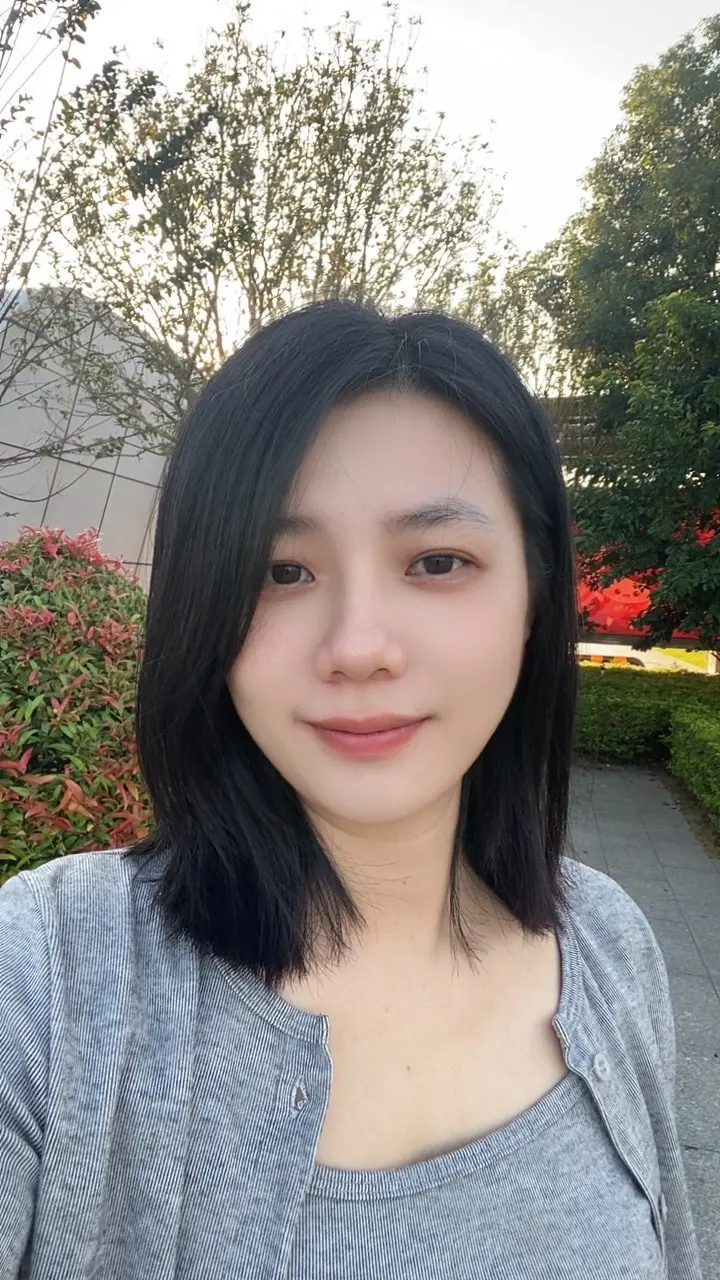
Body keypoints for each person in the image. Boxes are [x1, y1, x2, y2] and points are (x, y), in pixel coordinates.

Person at [0, 300, 702, 1279]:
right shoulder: (47, 985)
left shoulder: (611, 948)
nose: (358, 645)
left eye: (438, 561)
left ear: (536, 595)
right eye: (281, 570)